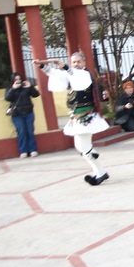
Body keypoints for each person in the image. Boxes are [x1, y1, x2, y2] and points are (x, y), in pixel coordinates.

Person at [37, 53, 110, 185]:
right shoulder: (71, 75)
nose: (76, 64)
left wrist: (63, 65)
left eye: (78, 62)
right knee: (80, 147)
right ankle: (99, 171)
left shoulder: (85, 74)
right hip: (76, 117)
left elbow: (73, 73)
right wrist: (42, 66)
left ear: (84, 62)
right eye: (74, 62)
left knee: (84, 147)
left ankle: (100, 173)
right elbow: (56, 74)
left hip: (87, 117)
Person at [4, 72, 40, 157]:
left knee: (30, 131)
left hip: (28, 113)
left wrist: (30, 87)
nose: (18, 81)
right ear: (13, 81)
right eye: (16, 80)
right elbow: (7, 98)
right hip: (17, 114)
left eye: (19, 79)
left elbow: (36, 94)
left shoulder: (26, 87)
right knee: (21, 132)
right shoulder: (9, 88)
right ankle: (23, 151)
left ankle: (33, 150)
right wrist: (13, 88)